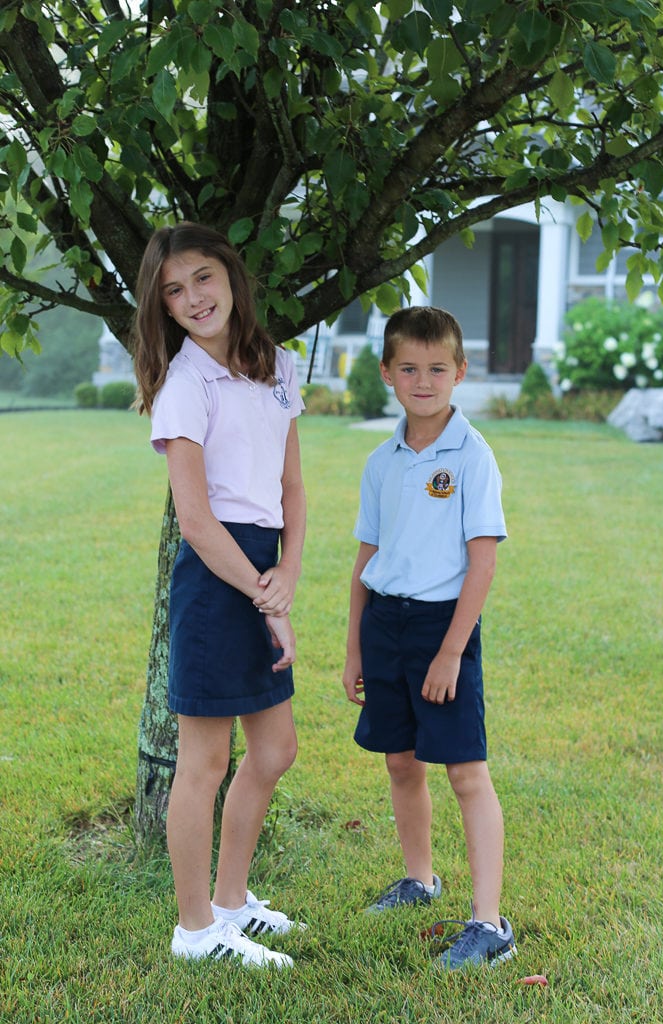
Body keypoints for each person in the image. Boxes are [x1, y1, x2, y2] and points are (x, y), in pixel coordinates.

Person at [134, 222, 306, 968]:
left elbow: (291, 488)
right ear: (163, 309)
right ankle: (195, 928)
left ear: (231, 276)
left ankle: (232, 902)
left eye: (201, 277)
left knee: (273, 749)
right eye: (173, 290)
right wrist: (268, 597)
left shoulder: (278, 368)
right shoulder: (183, 386)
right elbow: (197, 521)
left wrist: (288, 576)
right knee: (204, 765)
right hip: (215, 582)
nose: (192, 297)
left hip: (264, 565)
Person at [342, 306, 516, 971]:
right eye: (408, 368)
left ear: (459, 372)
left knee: (465, 771)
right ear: (387, 373)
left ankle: (488, 922)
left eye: (436, 368)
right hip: (385, 624)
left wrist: (448, 651)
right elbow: (365, 559)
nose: (422, 380)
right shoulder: (380, 461)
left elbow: (484, 561)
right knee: (399, 760)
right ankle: (419, 879)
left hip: (444, 628)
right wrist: (355, 646)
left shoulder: (472, 456)